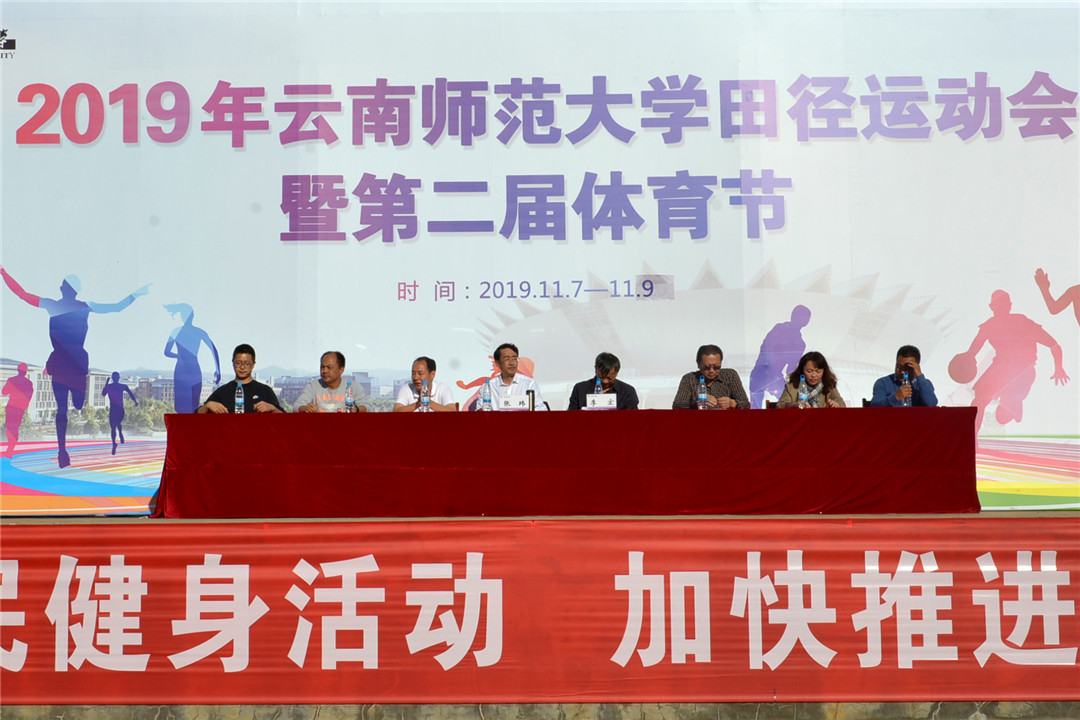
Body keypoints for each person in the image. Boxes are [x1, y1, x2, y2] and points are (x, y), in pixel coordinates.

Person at [0, 266, 151, 467]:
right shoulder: (84, 306)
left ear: (63, 289)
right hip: (75, 363)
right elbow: (116, 307)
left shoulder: (53, 305)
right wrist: (135, 295)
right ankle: (62, 452)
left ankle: (63, 450)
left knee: (65, 408)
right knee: (70, 406)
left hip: (62, 363)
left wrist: (3, 273)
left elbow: (21, 294)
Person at [951, 289, 1069, 431]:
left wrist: (1059, 367)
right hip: (1000, 368)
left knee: (1002, 415)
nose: (1001, 307)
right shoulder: (989, 325)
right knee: (979, 401)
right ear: (992, 307)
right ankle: (971, 436)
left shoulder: (1022, 322)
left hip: (1022, 371)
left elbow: (1054, 345)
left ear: (1009, 305)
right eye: (998, 304)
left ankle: (1013, 403)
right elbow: (973, 351)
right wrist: (967, 358)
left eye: (1003, 303)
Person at [749, 305, 811, 408]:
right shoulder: (779, 329)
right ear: (793, 315)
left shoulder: (800, 343)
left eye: (804, 317)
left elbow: (790, 369)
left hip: (774, 376)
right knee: (756, 408)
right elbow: (766, 348)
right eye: (799, 315)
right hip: (760, 373)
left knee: (789, 404)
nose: (801, 319)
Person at [163, 303, 221, 414]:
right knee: (185, 405)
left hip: (186, 369)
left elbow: (167, 352)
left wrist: (178, 356)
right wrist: (218, 370)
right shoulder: (195, 332)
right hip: (187, 369)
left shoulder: (178, 331)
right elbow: (214, 350)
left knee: (191, 405)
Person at [197, 344, 283, 413]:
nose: (242, 367)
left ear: (253, 364)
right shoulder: (222, 391)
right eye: (238, 363)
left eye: (247, 363)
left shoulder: (265, 391)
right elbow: (196, 416)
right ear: (233, 363)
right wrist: (208, 405)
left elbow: (285, 419)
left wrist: (272, 408)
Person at [672, 344, 750, 409]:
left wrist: (733, 403)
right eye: (707, 367)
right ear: (698, 364)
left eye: (717, 367)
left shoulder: (730, 376)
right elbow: (677, 406)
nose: (711, 371)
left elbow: (746, 404)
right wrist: (696, 403)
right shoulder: (689, 379)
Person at [474, 343, 548, 410]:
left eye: (514, 358)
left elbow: (541, 409)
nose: (511, 363)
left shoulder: (529, 383)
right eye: (506, 359)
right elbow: (479, 414)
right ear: (497, 363)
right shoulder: (488, 387)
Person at [870, 345, 938, 407]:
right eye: (899, 367)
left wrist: (920, 375)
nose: (902, 372)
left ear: (916, 368)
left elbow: (931, 404)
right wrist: (895, 398)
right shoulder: (883, 383)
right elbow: (874, 406)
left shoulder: (924, 384)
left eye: (907, 368)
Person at [568, 352, 639, 410]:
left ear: (617, 373)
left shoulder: (627, 392)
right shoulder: (580, 389)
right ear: (596, 369)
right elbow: (571, 416)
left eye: (610, 378)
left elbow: (633, 418)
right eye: (602, 377)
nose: (605, 381)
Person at [295, 351, 360, 413]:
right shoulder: (313, 386)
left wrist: (356, 409)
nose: (325, 371)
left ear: (341, 370)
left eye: (329, 367)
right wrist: (305, 408)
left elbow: (364, 405)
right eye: (322, 367)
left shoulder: (353, 386)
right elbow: (297, 406)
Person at [777, 351, 846, 408]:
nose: (814, 375)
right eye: (809, 371)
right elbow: (780, 405)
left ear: (824, 371)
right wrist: (796, 405)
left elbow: (842, 404)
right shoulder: (792, 386)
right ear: (802, 370)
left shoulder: (828, 385)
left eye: (818, 371)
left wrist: (836, 405)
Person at [2, 363, 34, 459]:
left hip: (11, 407)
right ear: (26, 372)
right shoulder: (29, 383)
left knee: (9, 427)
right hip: (20, 409)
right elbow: (29, 397)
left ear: (18, 370)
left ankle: (10, 447)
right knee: (15, 428)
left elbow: (4, 392)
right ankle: (11, 448)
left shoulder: (11, 380)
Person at [102, 372, 138, 454]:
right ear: (118, 378)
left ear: (112, 378)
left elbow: (103, 393)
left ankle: (114, 442)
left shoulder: (110, 387)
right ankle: (119, 435)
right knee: (117, 423)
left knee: (113, 427)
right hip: (120, 409)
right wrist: (135, 401)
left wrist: (106, 383)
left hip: (114, 409)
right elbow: (130, 393)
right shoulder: (122, 386)